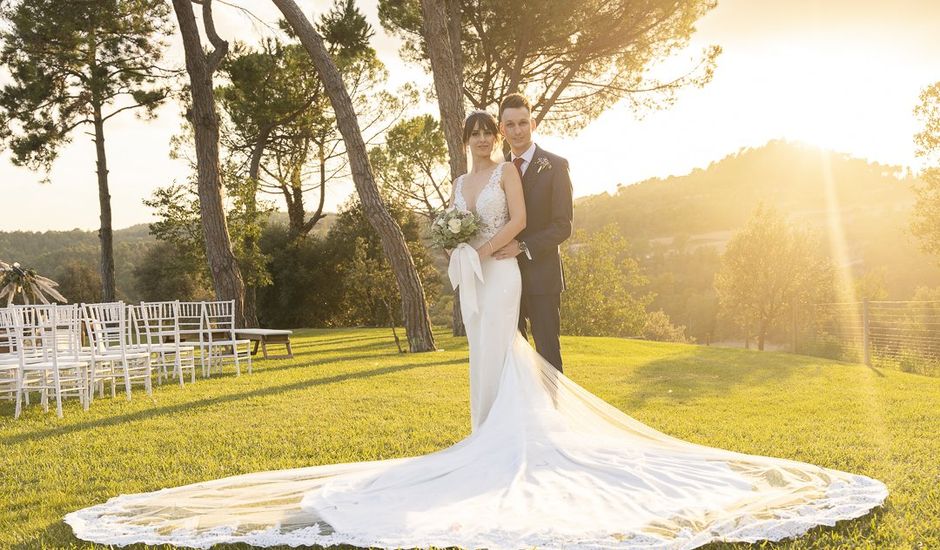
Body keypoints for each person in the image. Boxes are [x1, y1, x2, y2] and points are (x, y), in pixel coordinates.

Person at [65, 110, 887, 550]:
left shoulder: (514, 178)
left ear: (508, 136)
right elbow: (449, 224)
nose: (488, 143)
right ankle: (483, 431)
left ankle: (517, 436)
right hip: (471, 277)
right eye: (482, 136)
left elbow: (525, 222)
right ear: (471, 142)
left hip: (505, 271)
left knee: (515, 342)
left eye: (494, 134)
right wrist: (452, 247)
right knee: (485, 352)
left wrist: (483, 246)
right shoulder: (461, 179)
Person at [493, 93, 572, 373]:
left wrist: (523, 246)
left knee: (547, 354)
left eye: (523, 123)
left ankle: (553, 414)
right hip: (502, 276)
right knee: (512, 354)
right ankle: (522, 415)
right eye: (510, 125)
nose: (517, 131)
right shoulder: (496, 170)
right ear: (502, 129)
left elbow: (563, 226)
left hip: (543, 277)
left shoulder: (556, 166)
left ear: (533, 124)